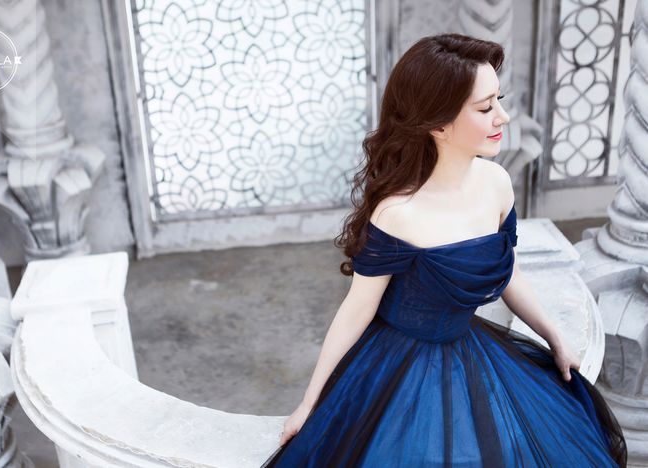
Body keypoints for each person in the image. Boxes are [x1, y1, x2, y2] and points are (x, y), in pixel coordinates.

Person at [261, 33, 627, 467]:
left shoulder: (496, 184)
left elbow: (508, 270)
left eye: (498, 100)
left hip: (470, 348)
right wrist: (309, 402)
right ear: (437, 123)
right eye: (485, 108)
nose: (504, 116)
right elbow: (357, 309)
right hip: (398, 364)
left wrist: (554, 338)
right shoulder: (397, 212)